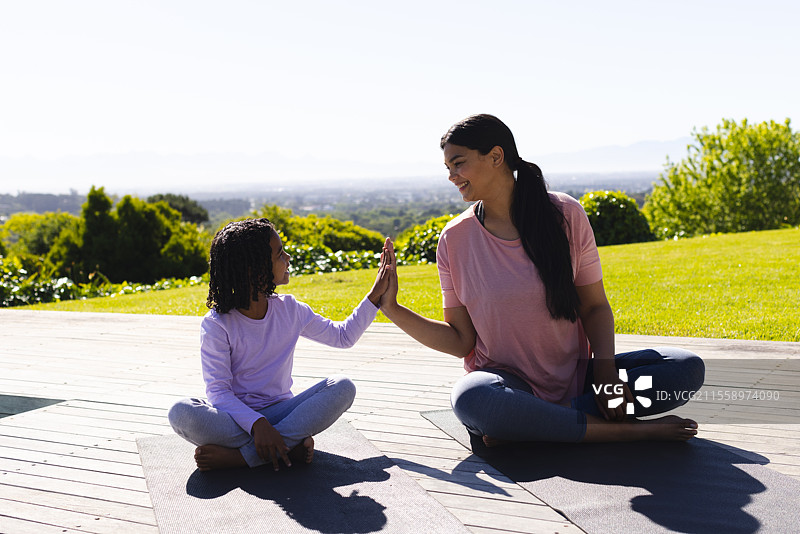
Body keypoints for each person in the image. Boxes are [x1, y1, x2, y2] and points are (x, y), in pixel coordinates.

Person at [379, 114, 705, 452]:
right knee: (473, 398)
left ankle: (537, 423)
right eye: (448, 167)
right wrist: (392, 308)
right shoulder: (454, 239)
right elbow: (462, 341)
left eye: (458, 163)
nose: (451, 176)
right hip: (507, 386)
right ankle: (624, 431)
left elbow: (594, 306)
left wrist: (607, 378)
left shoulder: (565, 214)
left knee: (684, 369)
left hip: (580, 380)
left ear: (495, 156)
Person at [168, 218, 392, 471]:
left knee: (342, 386)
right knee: (181, 412)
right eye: (279, 253)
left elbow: (343, 336)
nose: (287, 258)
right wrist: (258, 425)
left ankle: (244, 457)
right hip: (235, 418)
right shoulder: (217, 324)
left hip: (284, 411)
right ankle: (287, 444)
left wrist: (375, 294)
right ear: (256, 268)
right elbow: (218, 393)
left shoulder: (290, 310)